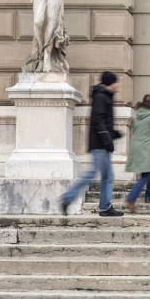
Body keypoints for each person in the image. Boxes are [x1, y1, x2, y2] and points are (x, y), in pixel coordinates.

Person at [60, 71, 124, 217]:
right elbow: (98, 121)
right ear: (110, 83)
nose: (118, 85)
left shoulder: (104, 96)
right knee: (92, 174)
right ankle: (67, 198)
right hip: (99, 144)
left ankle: (105, 207)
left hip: (102, 143)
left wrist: (113, 134)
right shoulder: (101, 97)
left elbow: (103, 123)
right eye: (116, 82)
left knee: (107, 176)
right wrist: (108, 139)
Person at [125, 94, 150, 212]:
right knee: (149, 174)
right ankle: (131, 197)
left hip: (136, 148)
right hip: (147, 148)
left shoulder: (137, 116)